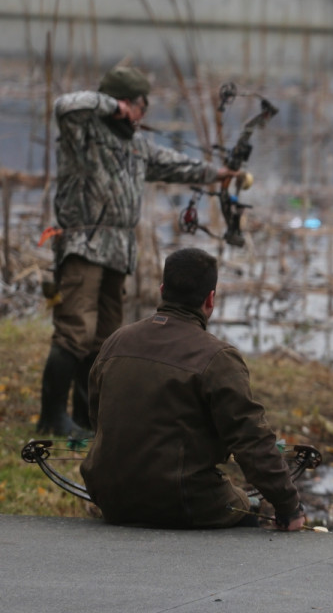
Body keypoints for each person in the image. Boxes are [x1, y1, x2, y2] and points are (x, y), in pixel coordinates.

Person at [36, 66, 244, 438]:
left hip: (118, 249)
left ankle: (87, 417)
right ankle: (52, 418)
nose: (141, 116)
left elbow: (175, 164)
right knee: (74, 332)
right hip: (84, 243)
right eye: (138, 107)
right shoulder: (82, 130)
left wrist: (219, 173)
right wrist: (110, 105)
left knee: (103, 338)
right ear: (121, 103)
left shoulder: (136, 144)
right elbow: (65, 105)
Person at [80, 247, 305, 531]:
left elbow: (96, 417)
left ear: (163, 290)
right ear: (210, 299)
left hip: (110, 497)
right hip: (185, 502)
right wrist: (289, 506)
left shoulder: (116, 341)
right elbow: (251, 439)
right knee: (245, 506)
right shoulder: (218, 357)